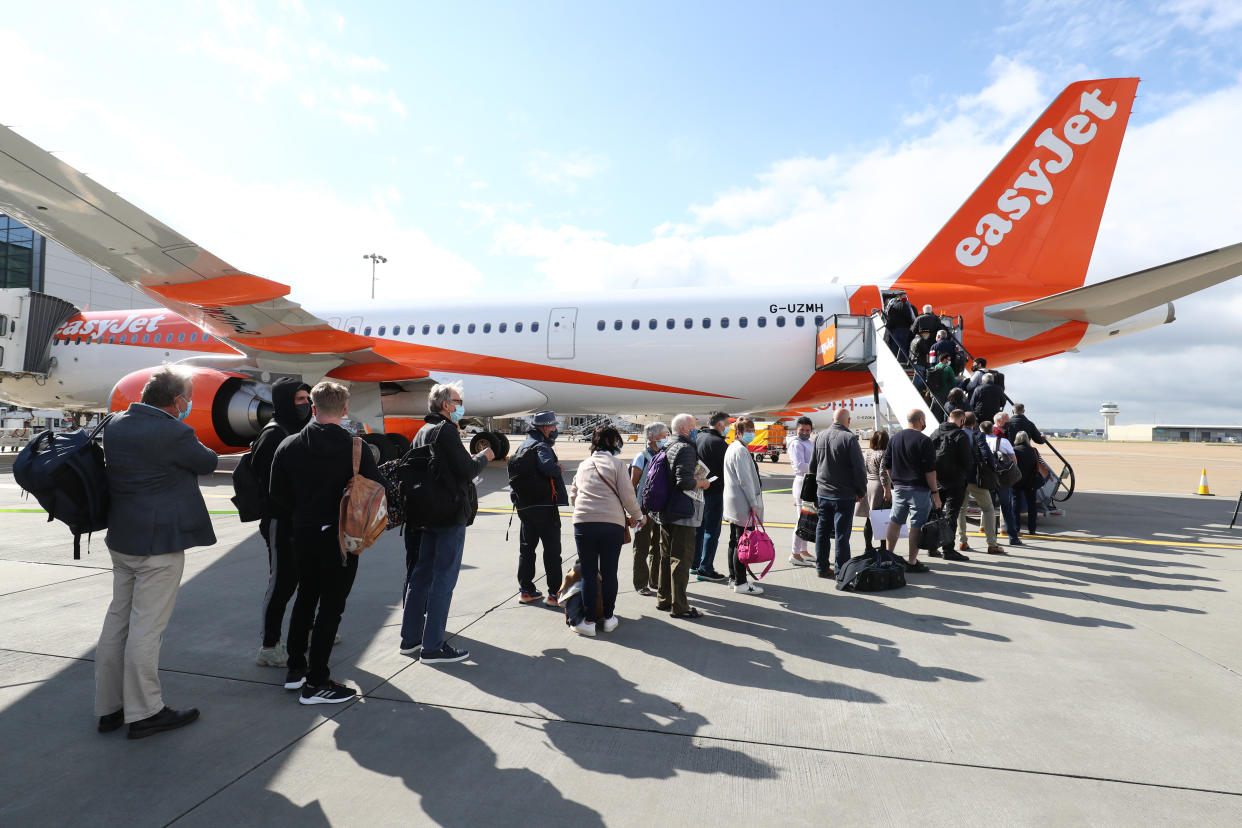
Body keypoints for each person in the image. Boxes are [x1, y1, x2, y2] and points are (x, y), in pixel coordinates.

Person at [95, 366, 217, 738]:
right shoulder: (174, 431)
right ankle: (145, 711)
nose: (188, 403)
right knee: (147, 629)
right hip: (159, 543)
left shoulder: (115, 424)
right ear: (177, 400)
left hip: (123, 537)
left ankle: (110, 708)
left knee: (117, 623)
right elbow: (209, 462)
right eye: (187, 397)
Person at [270, 381, 384, 704]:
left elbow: (276, 495)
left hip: (303, 535)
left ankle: (295, 669)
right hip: (340, 538)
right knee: (331, 607)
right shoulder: (356, 448)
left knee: (305, 597)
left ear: (313, 408)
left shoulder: (289, 445)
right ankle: (317, 680)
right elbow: (378, 489)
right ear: (345, 409)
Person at [399, 381, 493, 663]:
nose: (460, 405)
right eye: (457, 400)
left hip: (424, 515)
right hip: (448, 515)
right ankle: (433, 646)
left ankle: (411, 639)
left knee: (420, 577)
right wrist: (483, 456)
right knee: (443, 580)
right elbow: (466, 469)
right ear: (445, 405)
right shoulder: (446, 431)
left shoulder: (422, 432)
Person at [249, 377, 312, 668]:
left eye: (307, 399)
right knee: (282, 583)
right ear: (286, 401)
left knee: (309, 579)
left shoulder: (303, 430)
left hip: (304, 520)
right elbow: (266, 483)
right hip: (281, 522)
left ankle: (307, 630)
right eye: (299, 400)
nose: (306, 405)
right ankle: (269, 645)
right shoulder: (272, 434)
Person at [568, 426, 641, 636]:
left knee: (589, 574)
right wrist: (638, 516)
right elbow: (628, 496)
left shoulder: (583, 465)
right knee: (610, 573)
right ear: (611, 442)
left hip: (584, 523)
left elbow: (574, 495)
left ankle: (589, 622)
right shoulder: (618, 464)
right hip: (612, 525)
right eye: (617, 441)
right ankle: (609, 618)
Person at [651, 413, 711, 619]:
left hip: (665, 509)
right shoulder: (685, 448)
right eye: (694, 427)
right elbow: (683, 481)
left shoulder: (668, 445)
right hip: (682, 510)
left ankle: (664, 598)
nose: (697, 431)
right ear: (685, 429)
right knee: (681, 558)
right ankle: (680, 606)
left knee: (666, 556)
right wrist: (702, 483)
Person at [508, 410, 568, 606]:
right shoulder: (541, 445)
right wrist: (558, 468)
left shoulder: (522, 446)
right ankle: (554, 594)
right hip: (544, 506)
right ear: (544, 427)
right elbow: (548, 468)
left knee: (527, 550)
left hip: (524, 507)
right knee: (552, 551)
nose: (554, 430)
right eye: (552, 426)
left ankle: (526, 590)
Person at [882, 409, 942, 573]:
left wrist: (895, 481)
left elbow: (887, 464)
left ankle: (888, 557)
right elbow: (930, 471)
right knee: (916, 525)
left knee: (895, 522)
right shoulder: (924, 440)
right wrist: (935, 494)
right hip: (919, 490)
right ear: (921, 420)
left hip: (900, 488)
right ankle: (912, 561)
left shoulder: (894, 438)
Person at [810, 408, 866, 578]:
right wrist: (861, 490)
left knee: (822, 531)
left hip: (822, 493)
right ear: (848, 420)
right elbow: (859, 469)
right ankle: (841, 571)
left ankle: (821, 567)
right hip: (843, 494)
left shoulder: (820, 436)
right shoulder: (849, 438)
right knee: (842, 534)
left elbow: (812, 467)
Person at [722, 416, 765, 595]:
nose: (751, 434)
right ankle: (740, 582)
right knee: (743, 543)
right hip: (742, 503)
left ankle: (734, 578)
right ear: (738, 433)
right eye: (748, 431)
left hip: (734, 502)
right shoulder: (740, 450)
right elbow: (745, 480)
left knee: (735, 540)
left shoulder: (734, 447)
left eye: (752, 431)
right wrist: (754, 503)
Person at [628, 421, 668, 597]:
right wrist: (633, 512)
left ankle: (655, 579)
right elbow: (632, 485)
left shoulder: (664, 454)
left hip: (659, 510)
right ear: (651, 437)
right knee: (642, 547)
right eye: (663, 435)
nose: (665, 438)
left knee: (658, 547)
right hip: (643, 510)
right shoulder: (641, 457)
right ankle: (640, 583)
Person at [929, 408, 974, 562]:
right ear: (962, 420)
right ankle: (948, 549)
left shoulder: (935, 432)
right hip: (955, 481)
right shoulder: (960, 435)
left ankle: (931, 546)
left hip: (936, 481)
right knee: (951, 515)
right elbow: (967, 461)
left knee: (934, 513)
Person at [958, 413, 1003, 555]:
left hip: (959, 479)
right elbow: (986, 454)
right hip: (975, 478)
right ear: (974, 423)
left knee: (961, 509)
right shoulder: (978, 436)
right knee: (988, 509)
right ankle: (992, 544)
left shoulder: (956, 434)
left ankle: (962, 541)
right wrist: (994, 466)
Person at [692, 412, 730, 582]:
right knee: (711, 531)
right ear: (721, 425)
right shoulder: (720, 443)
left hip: (698, 491)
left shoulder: (699, 438)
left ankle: (694, 563)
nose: (729, 427)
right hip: (714, 492)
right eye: (727, 423)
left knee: (698, 529)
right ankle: (706, 567)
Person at [982, 420, 1022, 546]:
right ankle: (1012, 537)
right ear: (993, 430)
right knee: (1006, 508)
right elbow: (1014, 460)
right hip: (1003, 479)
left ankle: (992, 538)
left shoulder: (980, 442)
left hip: (988, 479)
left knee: (989, 509)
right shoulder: (1003, 442)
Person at [786, 416, 817, 566]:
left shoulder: (810, 442)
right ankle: (795, 553)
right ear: (796, 430)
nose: (804, 432)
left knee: (808, 519)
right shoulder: (796, 444)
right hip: (802, 481)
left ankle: (803, 550)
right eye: (802, 430)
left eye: (807, 430)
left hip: (810, 482)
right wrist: (818, 467)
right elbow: (799, 465)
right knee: (801, 521)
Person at [855, 429, 892, 554]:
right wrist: (887, 490)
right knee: (881, 518)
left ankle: (868, 546)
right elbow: (883, 473)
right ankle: (882, 547)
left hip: (867, 484)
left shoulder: (867, 452)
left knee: (869, 519)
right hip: (878, 486)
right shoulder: (884, 453)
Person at [1012, 432, 1042, 538]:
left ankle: (1016, 528)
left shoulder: (1014, 450)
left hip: (1017, 480)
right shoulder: (1034, 450)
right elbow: (1038, 465)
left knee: (1016, 504)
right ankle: (1032, 529)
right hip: (1031, 481)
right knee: (1032, 505)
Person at [884, 294, 915, 359]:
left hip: (894, 329)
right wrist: (910, 324)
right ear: (900, 297)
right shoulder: (905, 305)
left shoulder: (892, 306)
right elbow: (909, 317)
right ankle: (902, 360)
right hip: (904, 328)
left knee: (895, 345)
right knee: (903, 345)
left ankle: (894, 358)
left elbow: (890, 317)